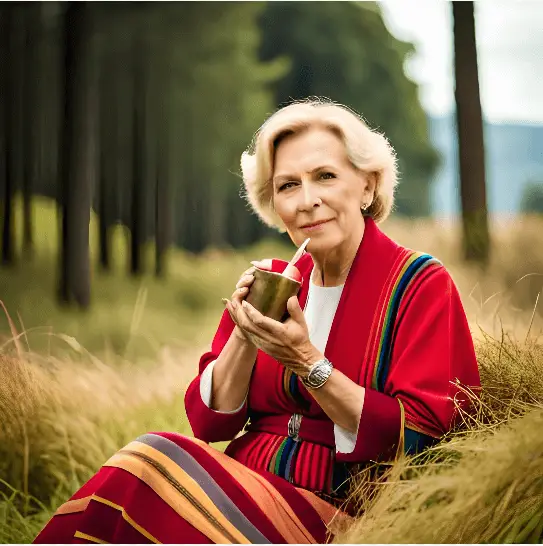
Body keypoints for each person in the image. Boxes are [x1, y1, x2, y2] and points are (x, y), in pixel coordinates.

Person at [34, 99, 480, 544]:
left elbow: (424, 442)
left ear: (367, 186)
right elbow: (210, 425)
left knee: (147, 464)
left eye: (326, 176)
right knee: (139, 485)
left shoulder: (419, 284)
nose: (308, 201)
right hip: (242, 484)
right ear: (274, 204)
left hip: (340, 511)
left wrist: (307, 362)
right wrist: (245, 334)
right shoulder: (273, 280)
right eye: (288, 185)